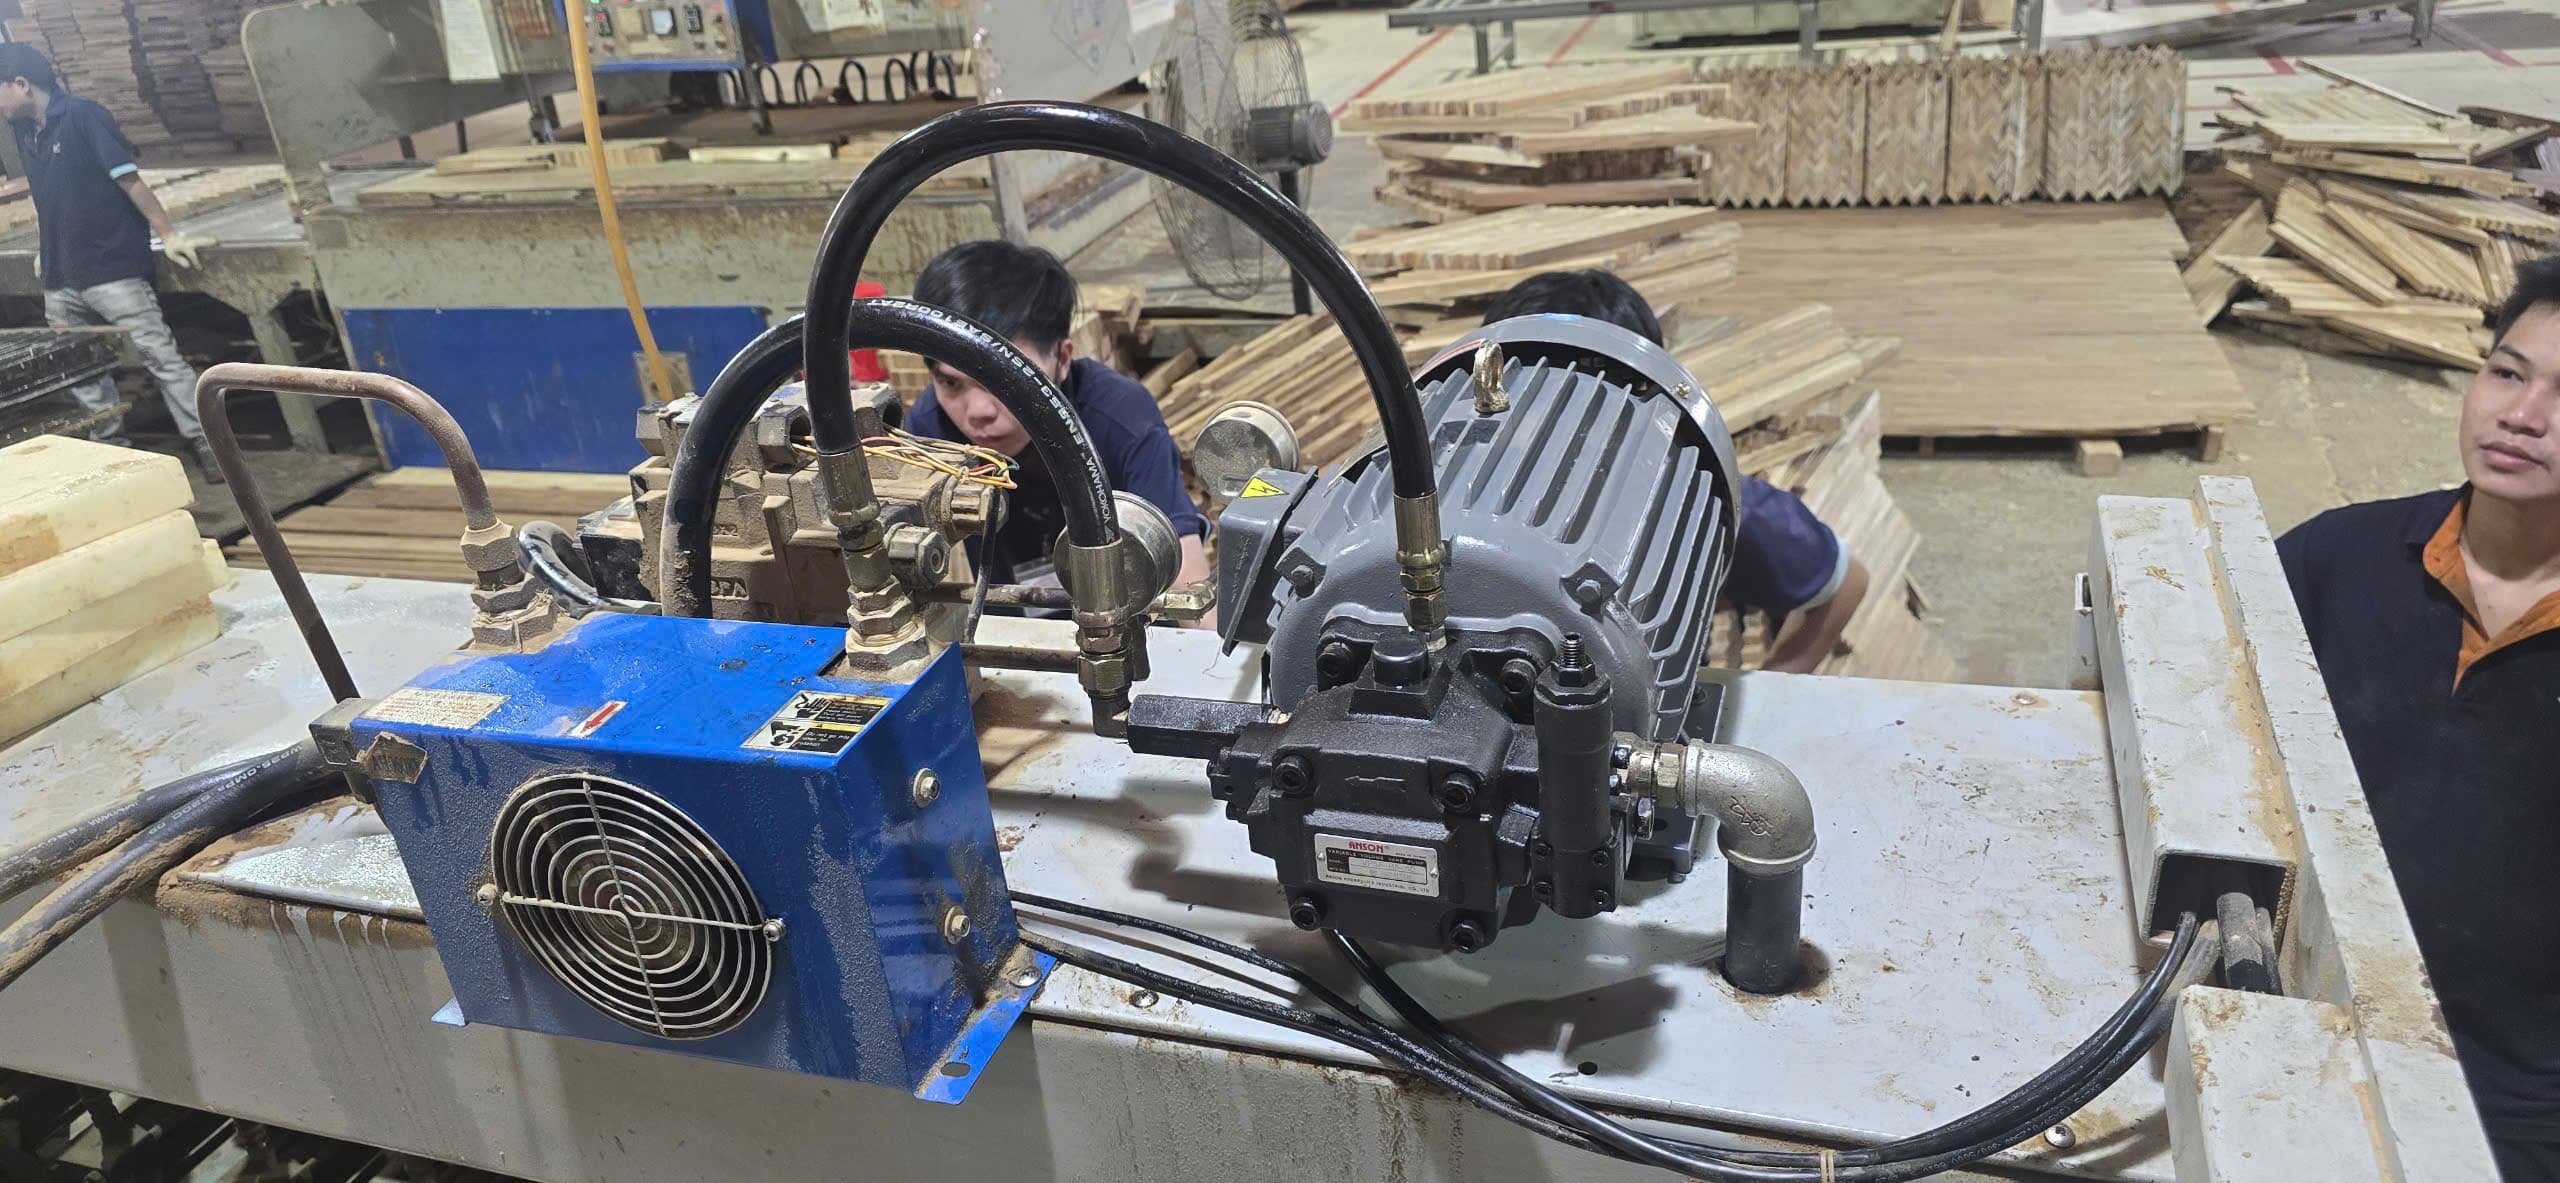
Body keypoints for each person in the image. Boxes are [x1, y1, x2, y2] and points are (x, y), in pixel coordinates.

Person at [2278, 255, 2560, 1181]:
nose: (2521, 416)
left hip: (2512, 1098)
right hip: (2298, 1013)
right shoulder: (2337, 558)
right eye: (2507, 371)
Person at [1480, 270, 1868, 673]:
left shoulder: (1703, 506)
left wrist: (1776, 687)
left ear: (1641, 391)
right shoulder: (1450, 491)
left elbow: (1847, 583)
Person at [902, 240, 1210, 605]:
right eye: (951, 382)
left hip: (1131, 626)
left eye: (1002, 380)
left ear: (1062, 359)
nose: (977, 411)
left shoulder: (1122, 419)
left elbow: (1185, 583)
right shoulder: (932, 431)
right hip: (1014, 627)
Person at [0, 44, 218, 481]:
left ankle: (209, 444)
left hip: (111, 270)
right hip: (62, 276)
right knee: (82, 366)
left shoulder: (84, 117)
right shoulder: (26, 133)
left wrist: (168, 233)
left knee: (160, 357)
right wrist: (49, 249)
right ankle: (110, 447)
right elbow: (50, 199)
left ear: (21, 84)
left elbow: (129, 182)